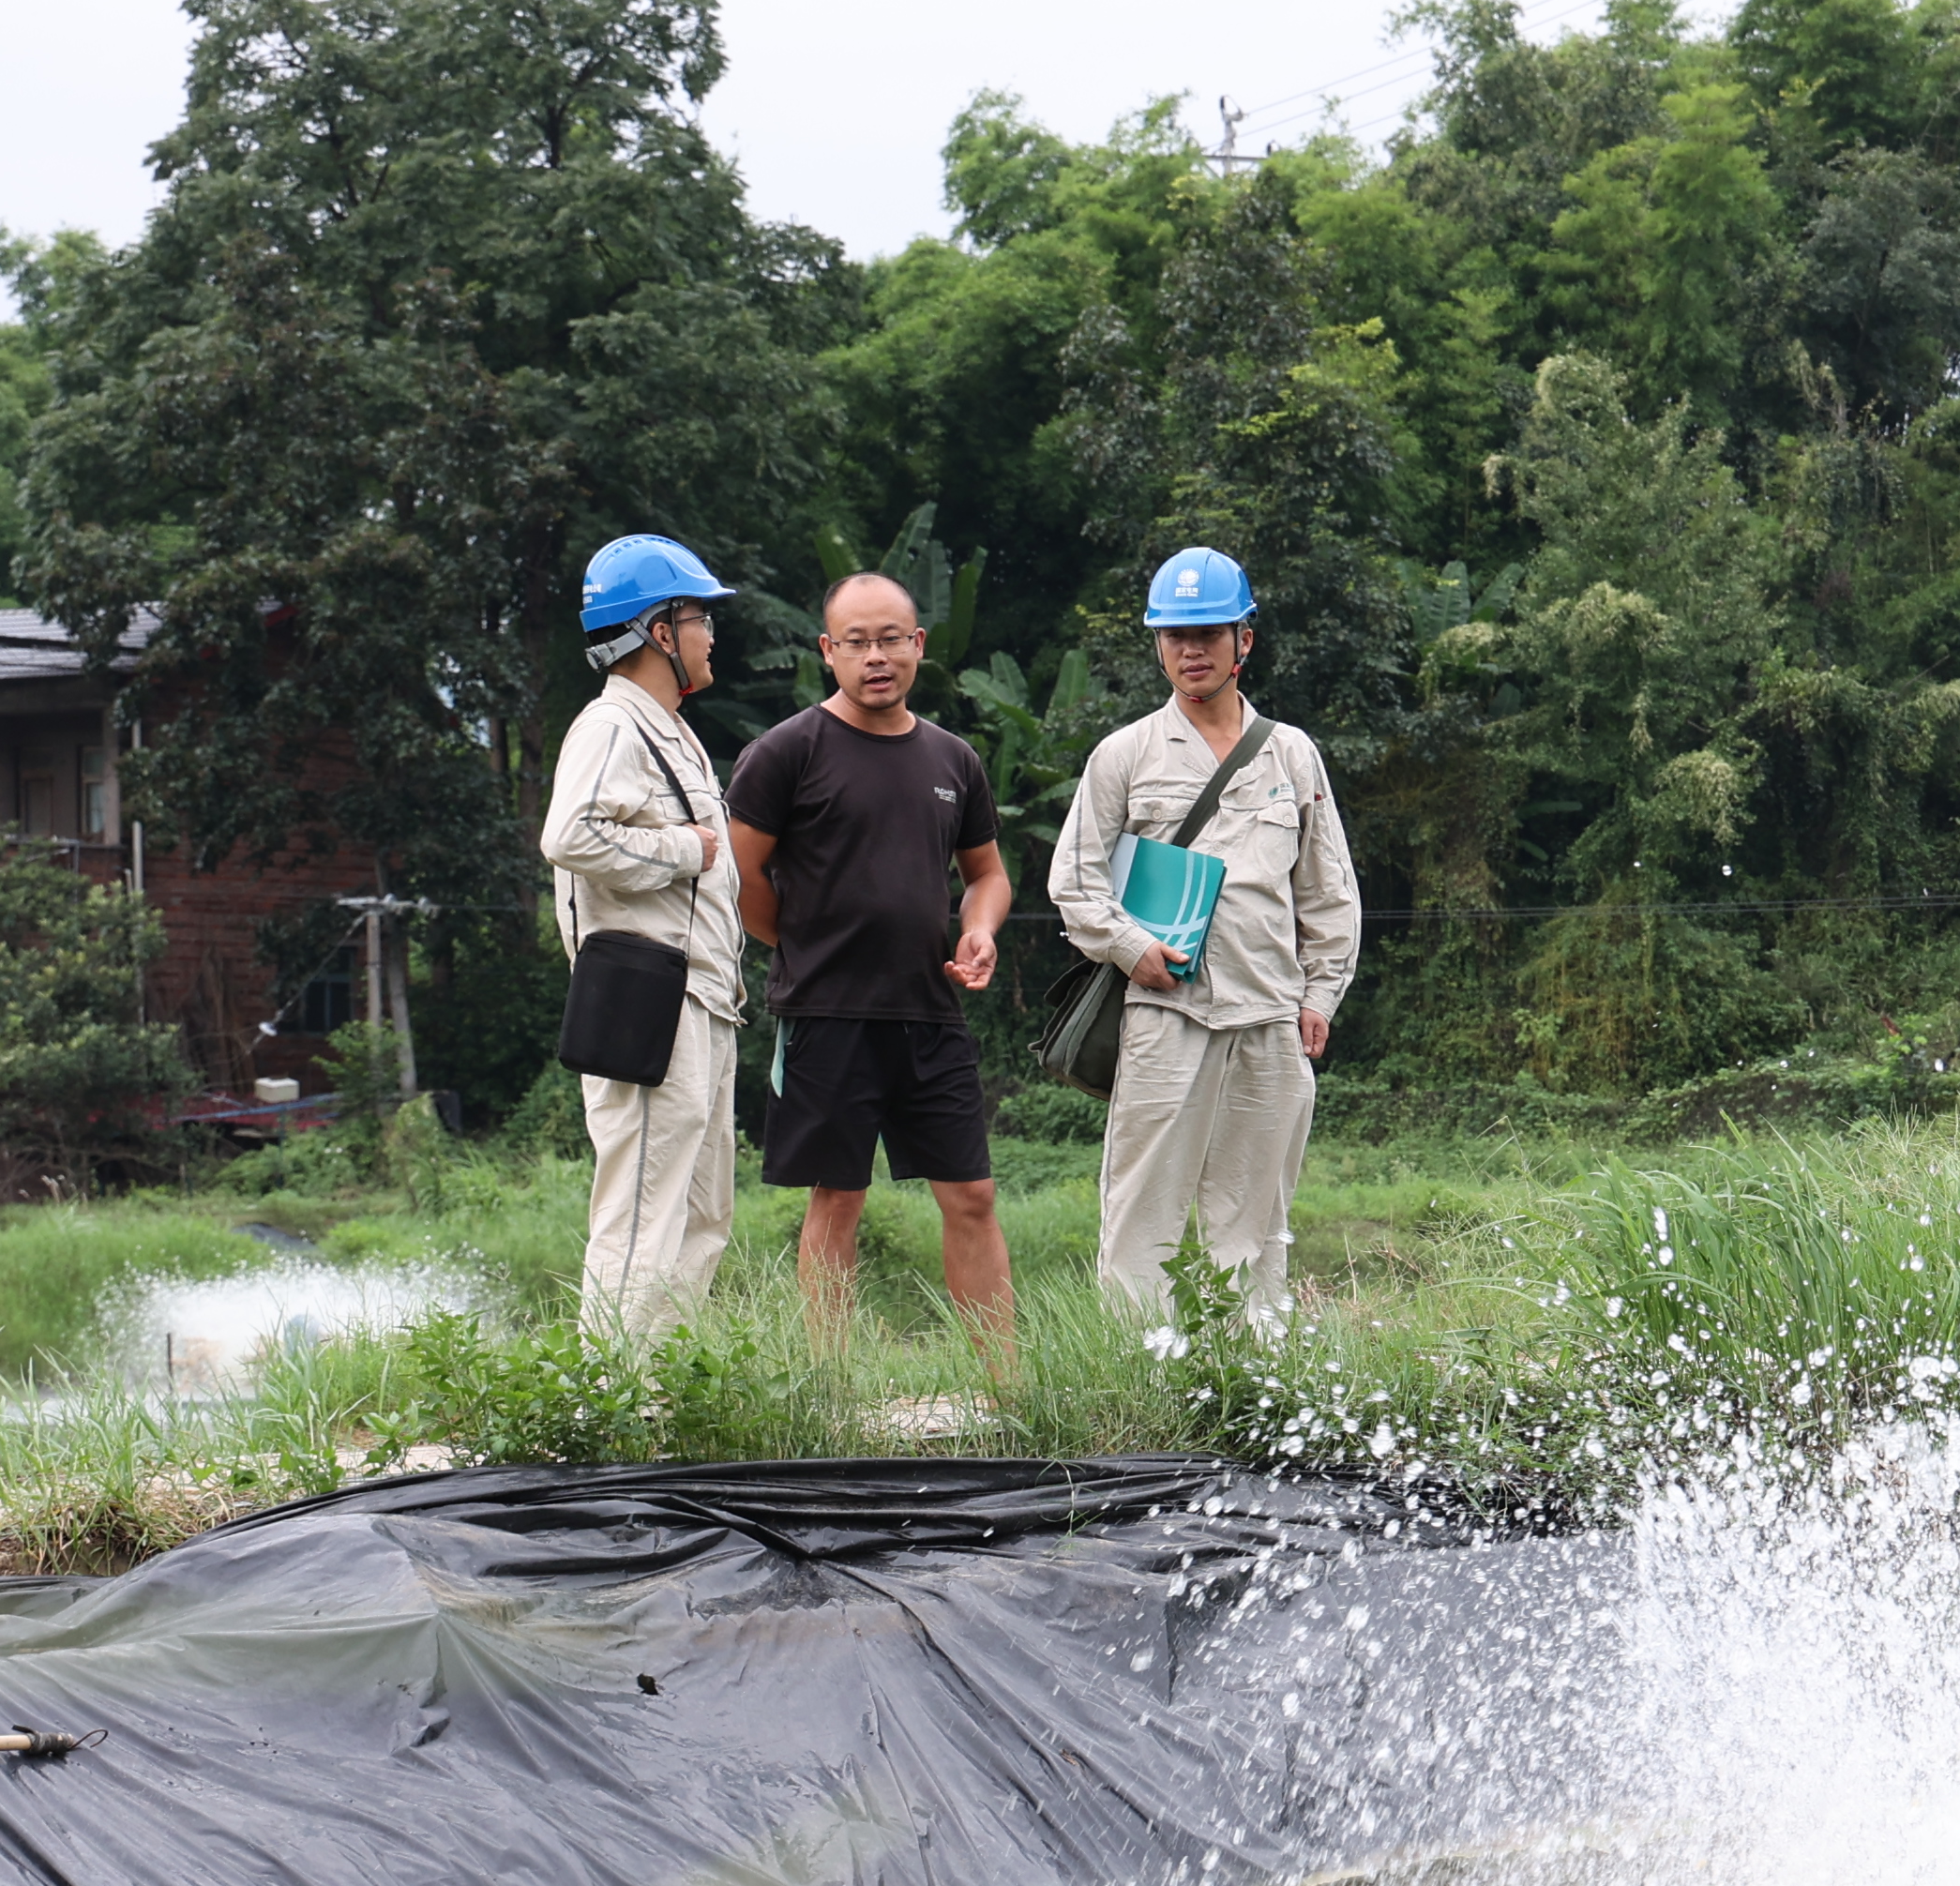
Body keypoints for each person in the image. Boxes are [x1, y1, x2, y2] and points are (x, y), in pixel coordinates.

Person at [1048, 545, 1360, 1326]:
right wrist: (1129, 949)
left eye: (1210, 634)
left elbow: (1328, 892)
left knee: (1257, 1224)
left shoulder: (1291, 754)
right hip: (1165, 1015)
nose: (1192, 651)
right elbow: (1074, 883)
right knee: (1140, 1220)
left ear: (1243, 641)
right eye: (1176, 635)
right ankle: (1134, 1390)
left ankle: (1253, 1384)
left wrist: (1321, 993)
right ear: (1157, 644)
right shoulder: (1125, 755)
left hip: (1270, 1017)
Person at [729, 573, 1014, 1349]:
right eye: (856, 642)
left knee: (973, 1196)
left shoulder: (953, 759)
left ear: (918, 646)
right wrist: (791, 943)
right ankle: (826, 1390)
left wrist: (977, 930)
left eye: (891, 639)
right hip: (826, 1014)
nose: (876, 657)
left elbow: (986, 875)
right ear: (829, 652)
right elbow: (742, 873)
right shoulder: (787, 752)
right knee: (837, 1198)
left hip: (931, 1010)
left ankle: (1009, 1393)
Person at [537, 533, 746, 1345]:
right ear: (660, 630)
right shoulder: (613, 726)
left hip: (701, 999)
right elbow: (571, 835)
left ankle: (662, 1403)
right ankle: (608, 1408)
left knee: (700, 1215)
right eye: (700, 617)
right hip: (648, 1001)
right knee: (642, 1214)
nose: (710, 634)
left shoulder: (669, 728)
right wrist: (680, 850)